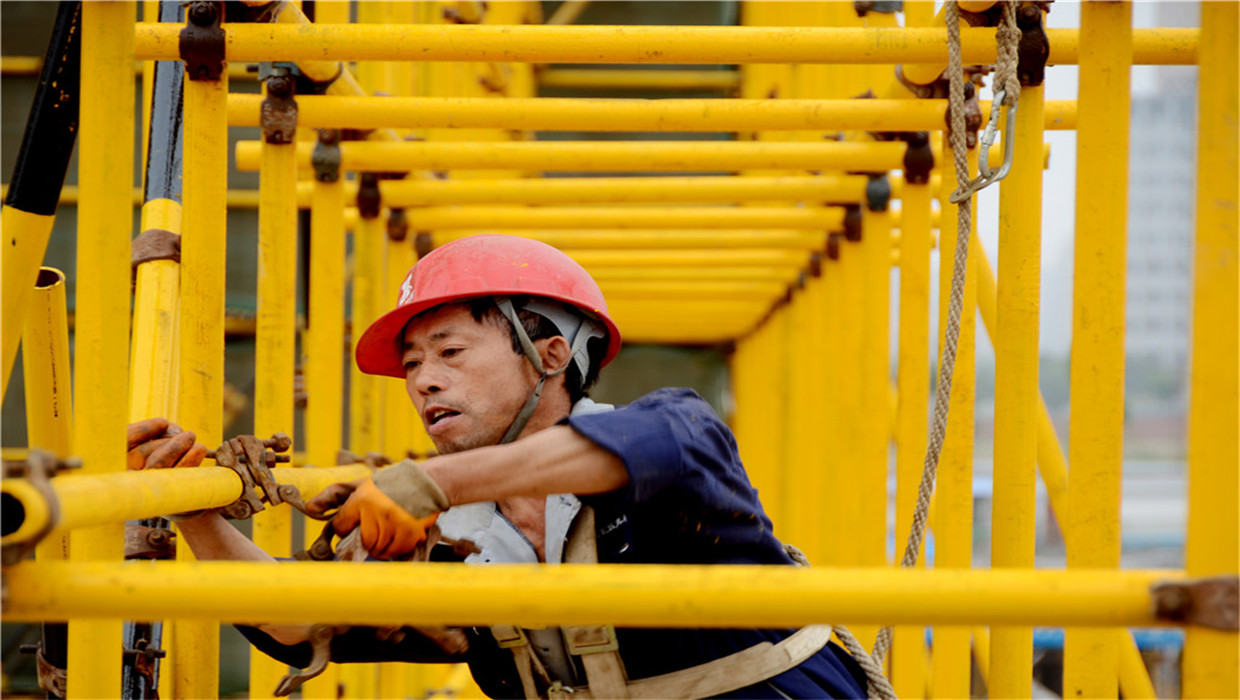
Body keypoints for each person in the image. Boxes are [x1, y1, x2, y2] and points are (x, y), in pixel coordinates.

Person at [139, 235, 869, 698]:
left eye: (451, 352)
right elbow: (298, 621)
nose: (424, 381)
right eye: (412, 364)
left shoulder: (676, 434)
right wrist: (195, 513)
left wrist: (428, 483)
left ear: (552, 354)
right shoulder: (459, 537)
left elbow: (641, 449)